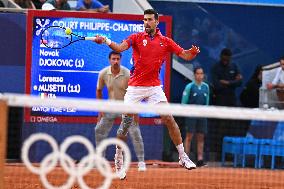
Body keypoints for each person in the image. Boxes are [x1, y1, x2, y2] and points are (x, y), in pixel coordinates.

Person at [93, 9, 200, 179]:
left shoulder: (166, 42)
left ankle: (182, 156)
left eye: (149, 20)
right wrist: (106, 40)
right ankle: (119, 159)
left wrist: (192, 53)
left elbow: (185, 55)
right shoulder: (136, 37)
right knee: (125, 125)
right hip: (135, 88)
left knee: (169, 118)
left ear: (157, 22)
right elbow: (120, 47)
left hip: (154, 88)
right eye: (144, 20)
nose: (146, 22)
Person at [95, 51, 146, 172]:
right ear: (109, 60)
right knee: (99, 130)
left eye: (118, 59)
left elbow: (134, 94)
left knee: (135, 133)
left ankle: (141, 162)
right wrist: (100, 111)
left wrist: (136, 112)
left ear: (120, 60)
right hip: (111, 108)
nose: (115, 61)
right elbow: (99, 90)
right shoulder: (103, 73)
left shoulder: (128, 74)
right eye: (113, 59)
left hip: (126, 109)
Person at [181, 67, 209, 167]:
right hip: (191, 116)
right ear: (194, 75)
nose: (199, 76)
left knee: (201, 138)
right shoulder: (189, 87)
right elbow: (183, 103)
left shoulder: (206, 87)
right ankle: (186, 159)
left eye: (201, 74)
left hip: (202, 116)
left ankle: (200, 159)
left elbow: (206, 103)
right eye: (198, 73)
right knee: (189, 137)